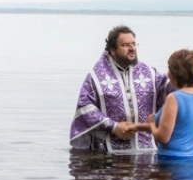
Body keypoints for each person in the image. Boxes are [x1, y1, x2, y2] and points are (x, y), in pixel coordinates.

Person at [70, 25, 171, 154]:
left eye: (134, 44)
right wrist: (114, 127)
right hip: (109, 153)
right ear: (113, 50)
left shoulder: (150, 74)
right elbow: (85, 109)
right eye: (126, 45)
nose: (132, 48)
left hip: (147, 150)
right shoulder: (96, 77)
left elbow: (173, 91)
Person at [147, 49, 193, 158]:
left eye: (169, 70)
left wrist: (151, 124)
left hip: (173, 160)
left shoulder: (174, 98)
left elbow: (163, 138)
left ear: (175, 74)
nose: (168, 74)